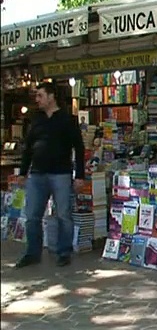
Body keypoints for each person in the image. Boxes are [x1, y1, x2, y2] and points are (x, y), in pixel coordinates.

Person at [16, 82, 85, 268]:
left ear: (51, 96)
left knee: (63, 214)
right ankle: (32, 253)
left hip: (60, 173)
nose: (37, 100)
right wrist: (23, 172)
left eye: (40, 95)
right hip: (37, 174)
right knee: (32, 215)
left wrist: (80, 175)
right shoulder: (36, 119)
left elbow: (78, 148)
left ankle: (64, 252)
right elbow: (28, 148)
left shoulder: (66, 119)